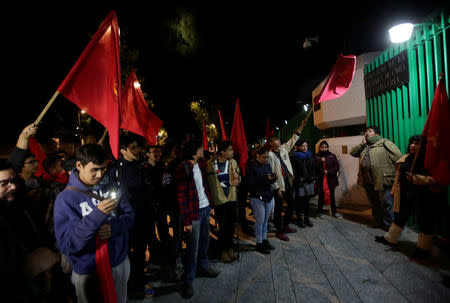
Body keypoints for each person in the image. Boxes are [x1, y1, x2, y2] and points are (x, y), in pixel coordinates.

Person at [53, 144, 135, 303]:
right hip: (88, 270)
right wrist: (97, 215)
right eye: (94, 169)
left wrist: (114, 228)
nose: (100, 174)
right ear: (79, 165)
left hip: (118, 262)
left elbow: (129, 216)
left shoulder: (111, 186)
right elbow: (67, 245)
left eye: (103, 169)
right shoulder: (65, 199)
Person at [375, 135, 446, 258]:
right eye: (411, 143)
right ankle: (390, 239)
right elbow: (399, 178)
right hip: (405, 195)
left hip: (424, 196)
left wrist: (415, 178)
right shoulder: (406, 158)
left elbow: (436, 179)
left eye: (417, 143)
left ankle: (423, 249)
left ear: (423, 146)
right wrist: (394, 191)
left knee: (424, 221)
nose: (413, 145)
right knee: (399, 217)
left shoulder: (428, 160)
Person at [176, 140, 219, 299]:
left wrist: (210, 203)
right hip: (193, 213)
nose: (203, 150)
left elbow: (205, 186)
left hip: (205, 209)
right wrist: (186, 221)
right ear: (194, 151)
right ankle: (188, 280)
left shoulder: (200, 165)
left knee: (204, 241)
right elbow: (182, 196)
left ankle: (204, 266)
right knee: (192, 248)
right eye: (200, 148)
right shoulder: (183, 167)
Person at [350, 126, 402, 230]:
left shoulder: (384, 143)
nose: (367, 133)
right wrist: (362, 143)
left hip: (383, 180)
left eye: (370, 131)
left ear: (377, 134)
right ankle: (378, 222)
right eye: (366, 131)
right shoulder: (365, 146)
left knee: (387, 204)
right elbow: (353, 153)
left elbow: (399, 158)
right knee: (375, 204)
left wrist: (391, 172)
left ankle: (390, 226)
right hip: (368, 181)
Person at [268, 117, 308, 241]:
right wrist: (277, 188)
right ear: (270, 143)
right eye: (275, 140)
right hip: (279, 184)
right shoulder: (269, 155)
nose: (279, 141)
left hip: (288, 181)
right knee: (279, 208)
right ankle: (279, 230)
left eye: (278, 140)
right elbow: (271, 173)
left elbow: (293, 139)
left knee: (292, 204)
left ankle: (286, 225)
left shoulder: (283, 149)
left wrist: (301, 126)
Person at [206, 140, 240, 263]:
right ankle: (222, 251)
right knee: (223, 226)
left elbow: (238, 178)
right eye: (230, 150)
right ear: (223, 152)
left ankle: (230, 248)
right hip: (219, 200)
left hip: (231, 198)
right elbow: (213, 184)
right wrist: (230, 183)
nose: (232, 152)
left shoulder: (233, 162)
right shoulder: (210, 164)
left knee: (231, 226)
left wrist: (238, 178)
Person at [247, 147, 277, 254]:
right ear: (258, 156)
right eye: (264, 157)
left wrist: (274, 177)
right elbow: (251, 183)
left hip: (268, 195)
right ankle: (259, 243)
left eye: (267, 157)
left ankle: (264, 240)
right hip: (257, 197)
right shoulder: (251, 166)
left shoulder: (267, 165)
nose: (266, 159)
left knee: (265, 221)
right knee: (260, 221)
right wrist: (266, 178)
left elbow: (269, 179)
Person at [290, 140, 316, 227]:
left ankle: (306, 219)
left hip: (308, 181)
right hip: (300, 182)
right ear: (298, 147)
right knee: (299, 201)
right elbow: (293, 169)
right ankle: (299, 219)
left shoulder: (310, 155)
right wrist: (298, 178)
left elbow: (313, 168)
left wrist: (312, 177)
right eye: (303, 146)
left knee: (307, 202)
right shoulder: (294, 157)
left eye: (306, 145)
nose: (305, 147)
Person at [315, 140, 342, 219]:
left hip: (331, 180)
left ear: (328, 148)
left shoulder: (332, 156)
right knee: (321, 196)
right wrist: (320, 161)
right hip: (321, 180)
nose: (324, 149)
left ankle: (334, 212)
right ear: (319, 148)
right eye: (322, 147)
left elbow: (337, 167)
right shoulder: (316, 156)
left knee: (331, 196)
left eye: (325, 147)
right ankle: (319, 212)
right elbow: (314, 167)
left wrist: (329, 171)